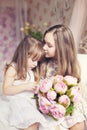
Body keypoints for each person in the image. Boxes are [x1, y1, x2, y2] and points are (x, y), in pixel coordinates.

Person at [40, 24, 87, 130]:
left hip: (68, 103)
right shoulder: (44, 64)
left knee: (77, 120)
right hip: (50, 104)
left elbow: (76, 88)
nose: (44, 47)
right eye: (44, 43)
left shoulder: (72, 65)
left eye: (49, 45)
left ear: (61, 48)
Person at [0, 35, 48, 130]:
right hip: (16, 103)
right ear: (23, 54)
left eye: (38, 61)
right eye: (33, 60)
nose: (35, 64)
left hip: (29, 103)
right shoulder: (13, 68)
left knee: (36, 123)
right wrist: (25, 86)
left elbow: (32, 88)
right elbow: (6, 90)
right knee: (31, 122)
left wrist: (36, 89)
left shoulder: (31, 71)